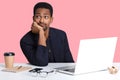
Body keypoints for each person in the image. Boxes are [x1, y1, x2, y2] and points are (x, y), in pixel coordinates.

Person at [20, 2, 74, 66]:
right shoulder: (25, 41)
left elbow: (70, 62)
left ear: (51, 20)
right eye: (38, 16)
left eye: (46, 17)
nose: (42, 20)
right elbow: (41, 62)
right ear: (33, 18)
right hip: (40, 75)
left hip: (62, 74)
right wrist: (41, 32)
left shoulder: (61, 35)